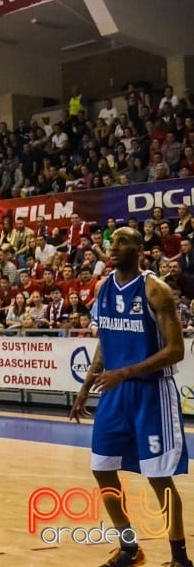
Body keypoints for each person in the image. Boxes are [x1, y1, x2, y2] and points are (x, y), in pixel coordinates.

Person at [70, 227, 192, 567]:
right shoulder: (103, 287)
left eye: (122, 242)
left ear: (140, 249)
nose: (113, 247)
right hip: (114, 393)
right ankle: (129, 547)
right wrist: (85, 387)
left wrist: (125, 372)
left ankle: (180, 557)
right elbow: (104, 342)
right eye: (112, 242)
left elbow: (176, 351)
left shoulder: (156, 290)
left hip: (152, 392)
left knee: (158, 477)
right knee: (102, 468)